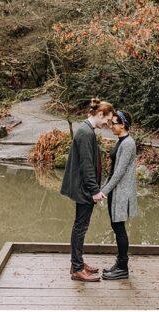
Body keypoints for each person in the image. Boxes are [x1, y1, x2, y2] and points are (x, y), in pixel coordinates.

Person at [60, 98, 115, 282]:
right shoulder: (85, 132)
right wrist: (94, 190)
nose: (107, 124)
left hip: (84, 187)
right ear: (100, 114)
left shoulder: (87, 130)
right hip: (83, 188)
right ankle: (77, 269)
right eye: (107, 120)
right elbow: (86, 165)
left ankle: (78, 262)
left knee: (80, 226)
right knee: (80, 227)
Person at [95, 110, 138, 280]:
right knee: (116, 227)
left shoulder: (128, 144)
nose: (110, 126)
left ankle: (123, 268)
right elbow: (113, 170)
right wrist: (105, 189)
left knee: (119, 229)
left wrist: (103, 192)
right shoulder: (121, 141)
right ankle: (119, 263)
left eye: (113, 123)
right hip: (116, 191)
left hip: (122, 193)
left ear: (123, 124)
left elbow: (119, 173)